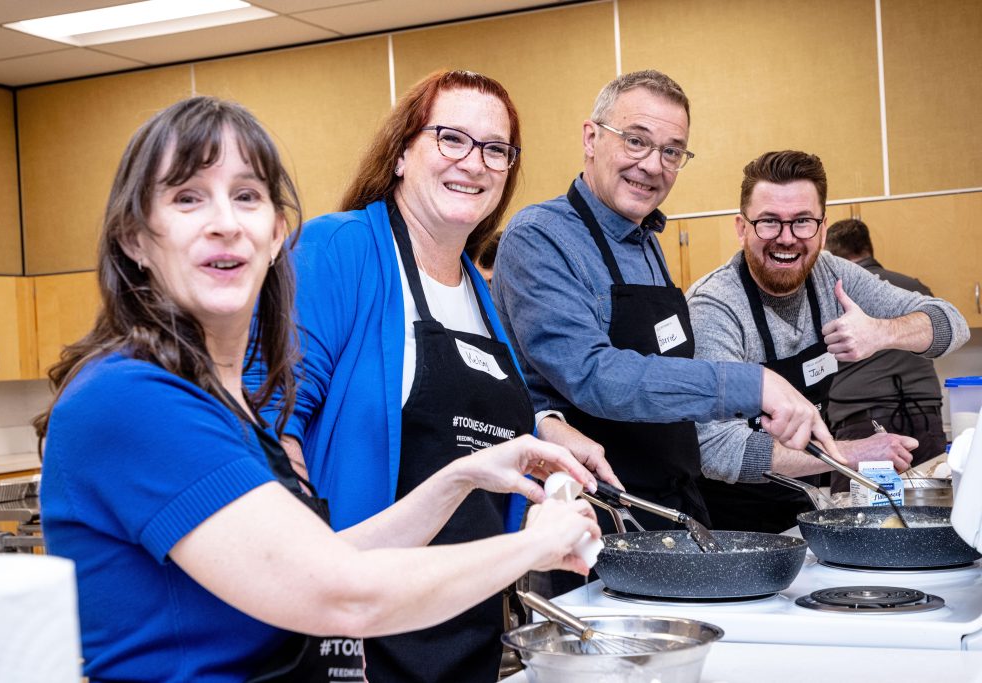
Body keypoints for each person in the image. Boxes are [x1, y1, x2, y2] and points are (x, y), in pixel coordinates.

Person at [36, 96, 601, 683]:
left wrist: (465, 476)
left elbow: (323, 560)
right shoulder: (134, 399)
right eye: (187, 197)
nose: (225, 222)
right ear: (133, 238)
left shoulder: (224, 402)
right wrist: (535, 547)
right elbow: (341, 594)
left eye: (247, 196)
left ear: (278, 233)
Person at [245, 71, 615, 683]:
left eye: (496, 149)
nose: (474, 163)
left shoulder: (478, 291)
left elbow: (478, 428)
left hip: (465, 626)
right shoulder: (340, 251)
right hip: (361, 631)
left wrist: (544, 430)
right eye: (451, 138)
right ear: (399, 154)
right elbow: (267, 418)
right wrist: (313, 573)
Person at [492, 70, 838, 541]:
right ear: (591, 138)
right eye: (636, 141)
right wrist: (753, 382)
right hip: (596, 516)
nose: (653, 165)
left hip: (674, 504)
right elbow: (596, 377)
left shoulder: (647, 241)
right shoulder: (539, 237)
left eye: (672, 151)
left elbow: (667, 370)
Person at [686, 150, 969, 532]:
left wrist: (882, 332)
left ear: (822, 227)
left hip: (801, 502)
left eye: (802, 221)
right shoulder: (716, 306)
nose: (786, 239)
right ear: (741, 227)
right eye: (769, 222)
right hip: (729, 521)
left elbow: (953, 324)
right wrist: (846, 454)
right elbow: (716, 449)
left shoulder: (832, 277)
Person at [824, 218, 949, 491]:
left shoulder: (834, 295)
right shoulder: (913, 289)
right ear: (869, 248)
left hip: (862, 424)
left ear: (831, 256)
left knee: (856, 522)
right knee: (933, 515)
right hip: (926, 418)